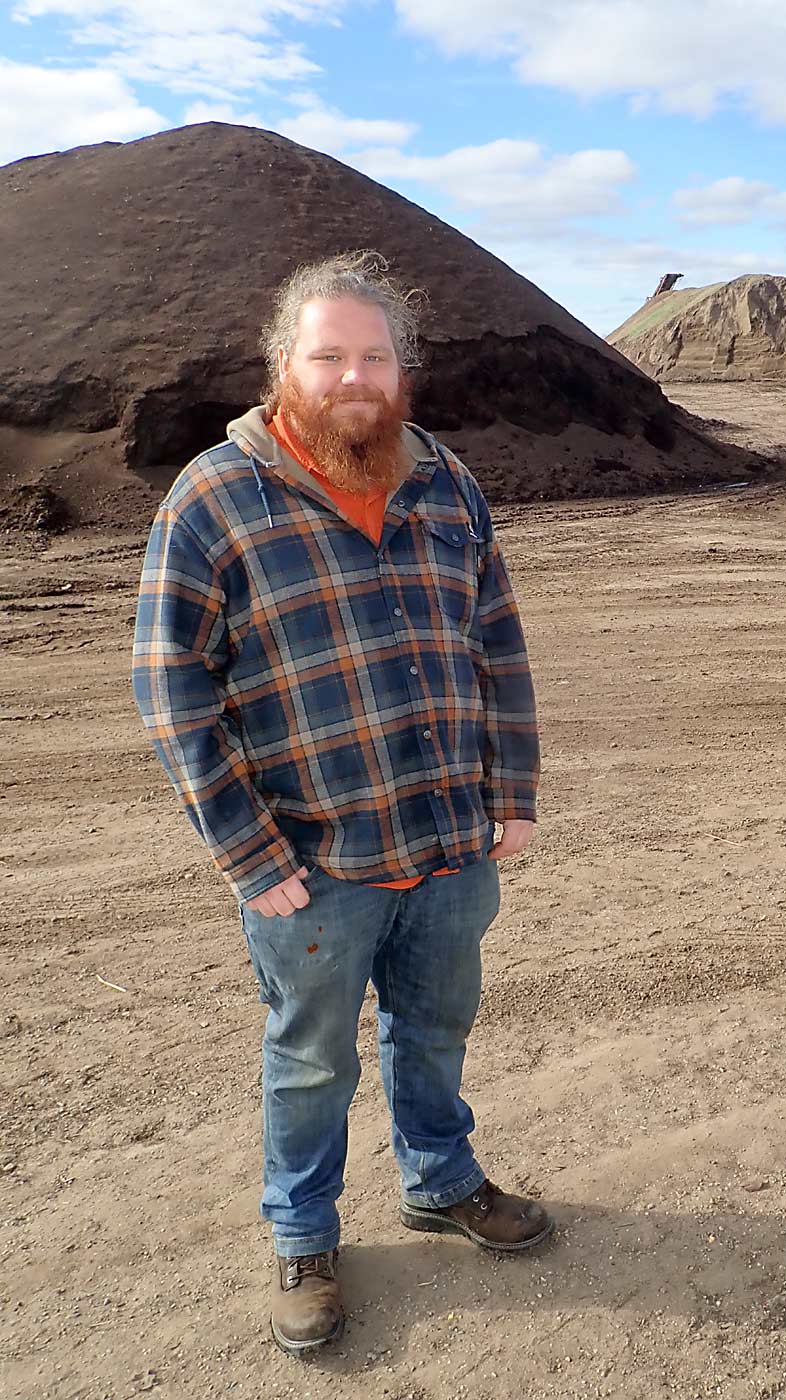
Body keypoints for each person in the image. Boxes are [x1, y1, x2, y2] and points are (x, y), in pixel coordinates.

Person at [132, 251, 551, 1357]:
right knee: (313, 1057)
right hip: (311, 861)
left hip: (451, 844)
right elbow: (170, 688)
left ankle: (440, 1176)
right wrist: (246, 849)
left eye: (374, 356)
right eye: (330, 356)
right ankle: (306, 1233)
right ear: (285, 365)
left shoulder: (445, 481)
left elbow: (497, 642)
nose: (354, 376)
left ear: (401, 369)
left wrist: (512, 792)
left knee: (439, 1024)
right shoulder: (216, 499)